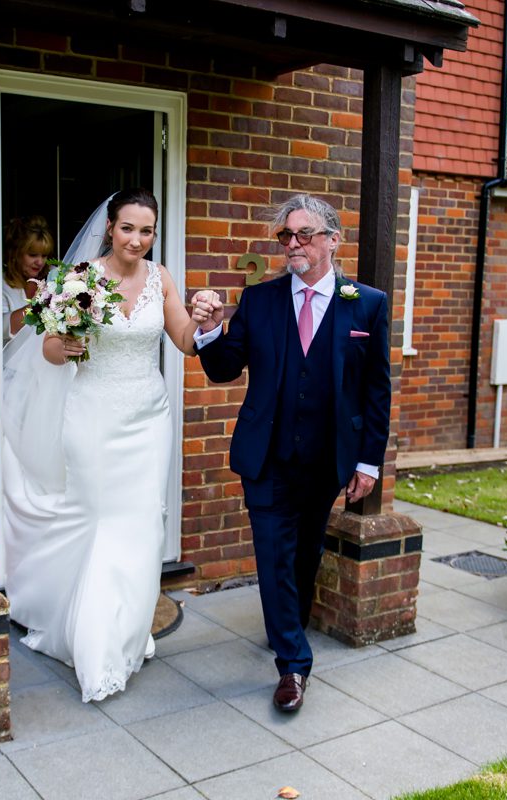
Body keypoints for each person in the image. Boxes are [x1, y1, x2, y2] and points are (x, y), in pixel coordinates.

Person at [2, 188, 216, 703]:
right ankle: (95, 646)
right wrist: (66, 345)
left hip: (147, 419)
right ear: (110, 228)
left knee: (141, 523)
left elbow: (184, 341)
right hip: (93, 415)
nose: (137, 240)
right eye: (128, 229)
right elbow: (50, 348)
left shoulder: (160, 278)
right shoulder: (78, 279)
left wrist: (207, 321)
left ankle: (127, 632)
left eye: (147, 231)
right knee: (98, 519)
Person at [193, 194, 391, 713]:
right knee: (274, 555)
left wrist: (369, 462)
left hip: (328, 459)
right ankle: (293, 664)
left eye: (304, 234)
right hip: (267, 456)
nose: (293, 245)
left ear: (332, 239)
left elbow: (376, 390)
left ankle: (286, 627)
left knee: (305, 555)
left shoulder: (366, 303)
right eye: (286, 236)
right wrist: (211, 328)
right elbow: (222, 369)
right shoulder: (260, 300)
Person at [1, 215, 54, 343]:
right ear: (16, 253)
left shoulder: (55, 276)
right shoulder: (1, 283)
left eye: (44, 255)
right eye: (33, 255)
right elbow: (1, 328)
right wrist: (38, 305)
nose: (40, 262)